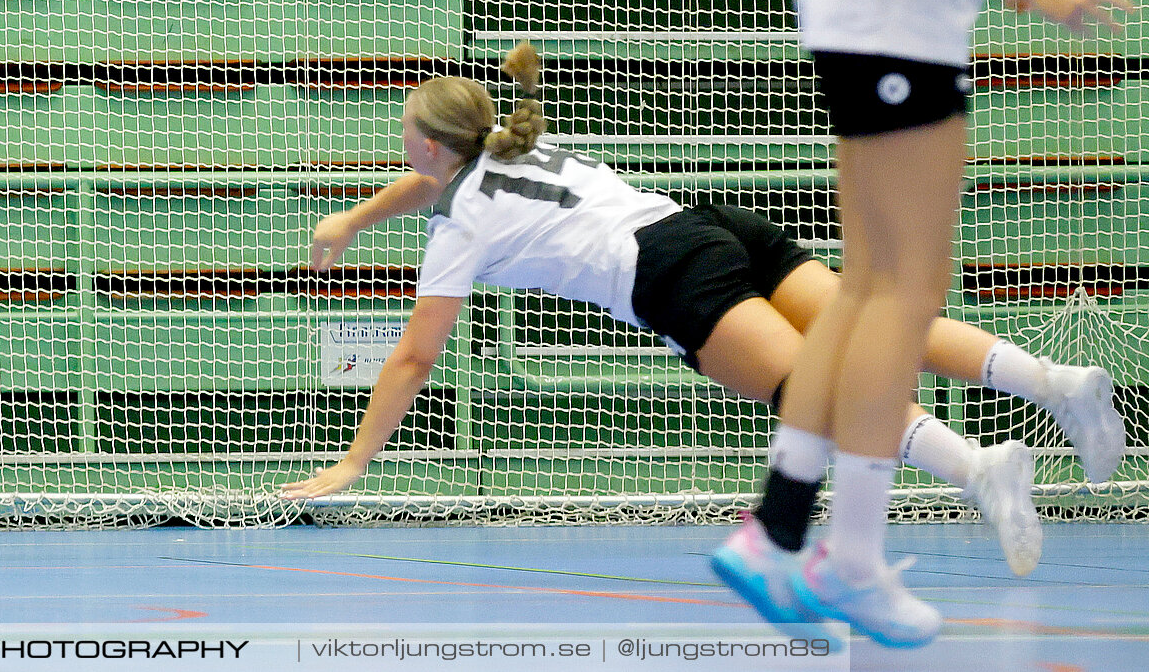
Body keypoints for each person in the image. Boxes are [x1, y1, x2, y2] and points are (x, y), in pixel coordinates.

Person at [278, 44, 1124, 583]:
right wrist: (353, 221)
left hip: (670, 272)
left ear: (427, 146)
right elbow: (431, 177)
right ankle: (1053, 381)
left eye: (405, 134)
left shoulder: (460, 224)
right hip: (706, 222)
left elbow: (413, 360)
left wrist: (355, 463)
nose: (405, 147)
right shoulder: (512, 143)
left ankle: (980, 470)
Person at [708, 0, 1132, 647]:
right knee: (904, 291)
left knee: (863, 286)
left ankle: (777, 526)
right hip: (897, 21)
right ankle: (847, 554)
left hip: (850, 10)